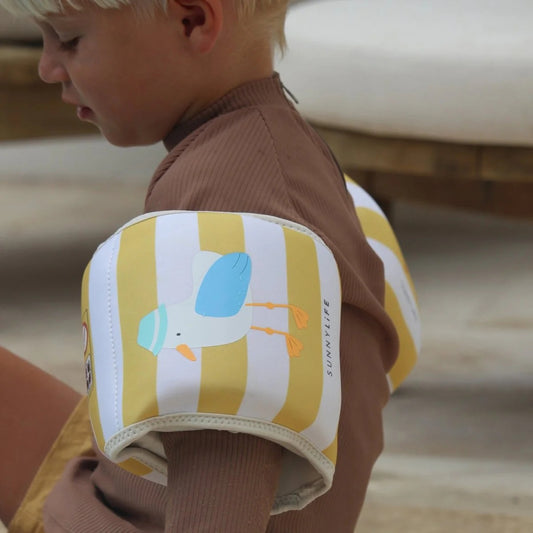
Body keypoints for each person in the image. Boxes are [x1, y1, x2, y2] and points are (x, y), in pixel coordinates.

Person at [0, 0, 415, 531]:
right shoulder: (280, 146)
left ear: (193, 21)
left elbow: (224, 474)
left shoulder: (227, 202)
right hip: (131, 488)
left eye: (69, 39)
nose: (46, 68)